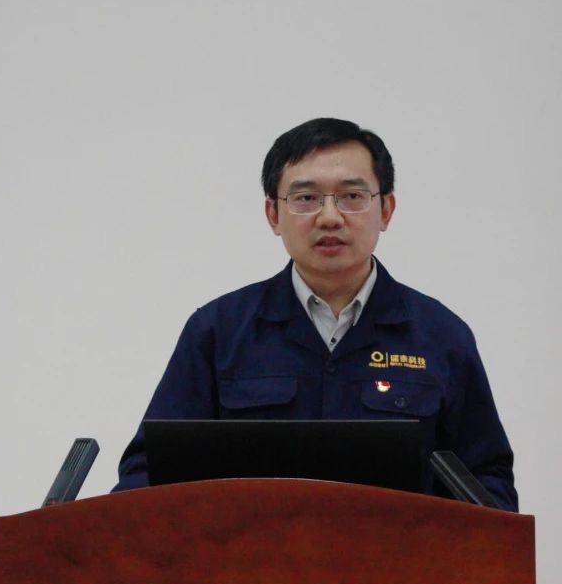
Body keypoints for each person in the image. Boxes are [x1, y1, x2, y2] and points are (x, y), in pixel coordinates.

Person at [113, 118, 518, 511]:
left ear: (386, 210)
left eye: (352, 196)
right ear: (274, 215)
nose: (329, 217)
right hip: (252, 556)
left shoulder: (441, 335)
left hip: (392, 558)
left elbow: (486, 482)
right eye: (306, 198)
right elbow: (149, 471)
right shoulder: (218, 331)